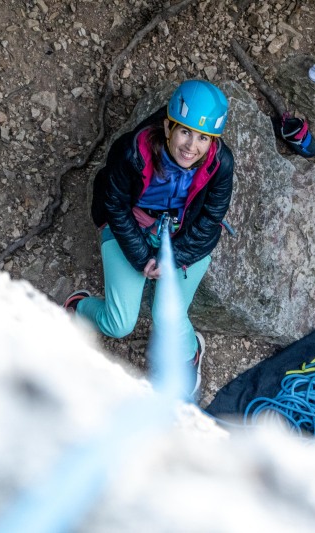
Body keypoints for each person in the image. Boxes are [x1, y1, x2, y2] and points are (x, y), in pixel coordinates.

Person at [64, 79, 234, 399]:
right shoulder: (133, 151)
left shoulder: (219, 164)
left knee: (167, 316)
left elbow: (211, 219)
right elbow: (114, 204)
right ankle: (79, 306)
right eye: (184, 131)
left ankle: (190, 351)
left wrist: (174, 258)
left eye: (203, 137)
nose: (191, 146)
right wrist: (143, 257)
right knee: (118, 325)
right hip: (133, 227)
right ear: (168, 126)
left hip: (183, 238)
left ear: (212, 141)